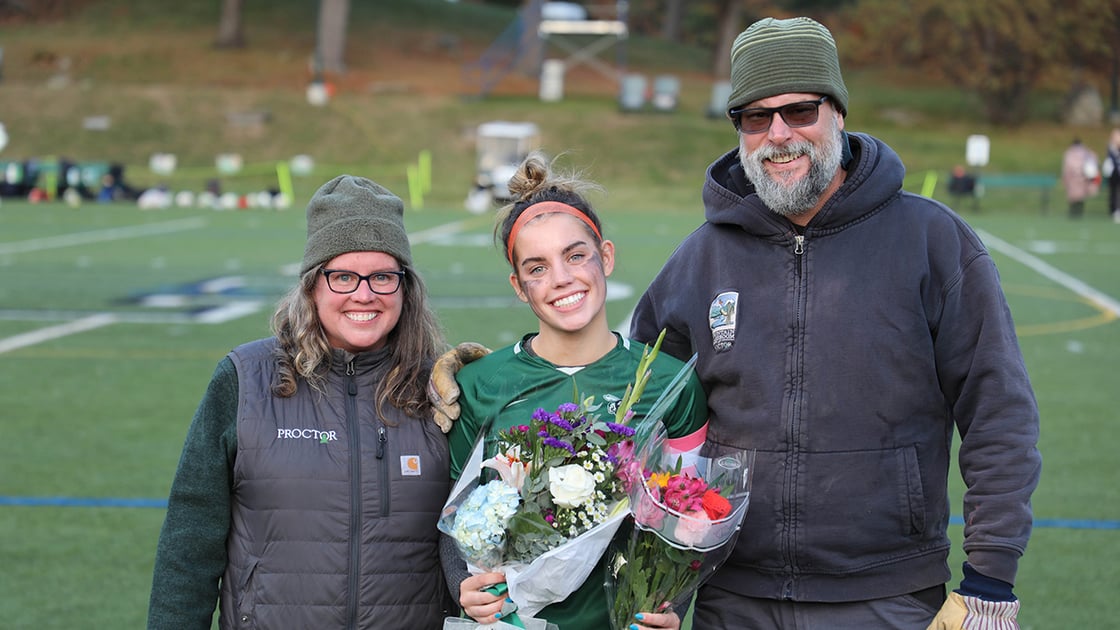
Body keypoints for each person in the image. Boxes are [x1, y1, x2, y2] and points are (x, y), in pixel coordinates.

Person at [624, 17, 1040, 629]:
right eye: (755, 118)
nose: (779, 134)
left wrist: (990, 579)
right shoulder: (700, 256)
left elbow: (998, 410)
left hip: (887, 596)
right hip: (730, 598)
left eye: (799, 110)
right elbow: (635, 408)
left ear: (838, 113)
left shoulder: (933, 242)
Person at [147, 175, 456, 629]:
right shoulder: (245, 378)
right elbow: (189, 546)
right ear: (313, 285)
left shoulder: (442, 390)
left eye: (383, 276)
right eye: (343, 276)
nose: (364, 293)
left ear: (405, 288)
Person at [440, 152, 709, 630]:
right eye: (537, 267)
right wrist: (464, 584)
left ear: (604, 256)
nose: (561, 278)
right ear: (519, 287)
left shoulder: (671, 384)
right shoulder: (479, 385)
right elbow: (453, 519)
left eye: (575, 255)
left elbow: (688, 520)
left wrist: (672, 609)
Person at [1061, 137, 1099, 218]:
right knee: (1081, 197)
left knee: (1073, 197)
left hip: (1073, 178)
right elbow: (1093, 164)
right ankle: (1079, 212)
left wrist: (1065, 179)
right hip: (1083, 178)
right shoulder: (1087, 152)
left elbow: (1066, 168)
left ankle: (1073, 213)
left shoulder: (1069, 153)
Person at [1103, 127, 1120, 222]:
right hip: (1113, 173)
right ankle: (1114, 210)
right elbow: (1111, 158)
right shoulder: (1111, 146)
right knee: (1113, 191)